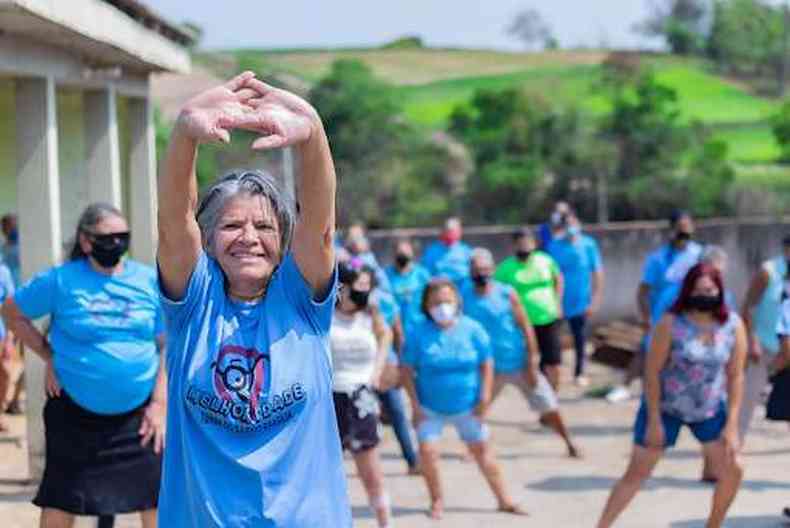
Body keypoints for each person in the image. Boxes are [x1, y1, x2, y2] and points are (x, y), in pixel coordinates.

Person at [156, 71, 351, 525]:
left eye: (264, 227)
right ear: (207, 239)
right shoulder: (195, 304)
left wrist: (313, 134)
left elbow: (319, 225)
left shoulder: (300, 302)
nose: (249, 238)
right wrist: (185, 132)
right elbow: (172, 222)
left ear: (282, 240)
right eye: (231, 226)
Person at [2, 203, 166, 528]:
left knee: (158, 500)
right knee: (61, 500)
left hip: (140, 418)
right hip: (74, 416)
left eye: (123, 236)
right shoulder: (61, 280)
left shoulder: (149, 281)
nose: (116, 244)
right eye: (107, 237)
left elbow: (167, 345)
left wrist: (160, 403)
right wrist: (48, 354)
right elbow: (12, 312)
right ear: (86, 241)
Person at [597, 263, 746, 528]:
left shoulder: (732, 326)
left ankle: (713, 525)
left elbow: (735, 375)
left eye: (710, 290)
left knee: (734, 469)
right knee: (638, 472)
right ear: (687, 291)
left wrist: (732, 424)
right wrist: (654, 420)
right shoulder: (671, 323)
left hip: (709, 409)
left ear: (720, 291)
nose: (705, 295)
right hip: (666, 407)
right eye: (699, 290)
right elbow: (652, 371)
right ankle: (603, 525)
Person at [400, 278, 526, 520]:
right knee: (428, 452)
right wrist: (415, 406)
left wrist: (485, 396)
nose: (442, 306)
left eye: (447, 300)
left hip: (467, 405)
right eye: (436, 302)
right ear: (426, 305)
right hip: (430, 407)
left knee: (483, 451)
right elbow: (406, 370)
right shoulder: (418, 333)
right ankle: (436, 501)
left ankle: (504, 500)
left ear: (457, 300)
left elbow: (487, 363)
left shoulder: (473, 329)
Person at [462, 248, 581, 458]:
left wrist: (532, 360)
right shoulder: (464, 296)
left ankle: (569, 443)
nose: (480, 273)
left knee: (549, 405)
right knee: (478, 408)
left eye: (484, 269)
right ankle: (472, 449)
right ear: (470, 271)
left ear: (492, 269)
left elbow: (525, 326)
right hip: (489, 367)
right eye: (476, 269)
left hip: (518, 362)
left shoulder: (506, 293)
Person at [607, 210, 703, 403]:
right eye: (679, 229)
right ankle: (634, 389)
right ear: (672, 230)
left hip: (691, 318)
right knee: (650, 354)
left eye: (687, 228)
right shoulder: (658, 259)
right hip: (662, 316)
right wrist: (646, 317)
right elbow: (642, 291)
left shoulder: (699, 255)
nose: (683, 233)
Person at [331, 263, 392, 527]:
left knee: (371, 471)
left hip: (362, 397)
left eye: (368, 286)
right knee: (328, 472)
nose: (364, 292)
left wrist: (377, 371)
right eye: (360, 286)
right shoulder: (325, 313)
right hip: (331, 396)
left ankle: (384, 522)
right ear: (342, 287)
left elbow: (386, 335)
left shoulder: (371, 314)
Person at [495, 228, 564, 391]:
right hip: (521, 324)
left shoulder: (546, 261)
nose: (524, 247)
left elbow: (558, 278)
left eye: (528, 243)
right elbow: (496, 293)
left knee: (553, 362)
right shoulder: (505, 268)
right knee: (530, 362)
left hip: (548, 318)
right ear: (514, 246)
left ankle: (553, 396)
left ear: (534, 244)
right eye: (520, 243)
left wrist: (558, 301)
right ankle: (538, 393)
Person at [738, 235, 790, 443]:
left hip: (787, 350)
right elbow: (747, 308)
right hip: (763, 346)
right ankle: (733, 446)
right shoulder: (768, 272)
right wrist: (752, 340)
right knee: (747, 399)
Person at [547, 214, 604, 387]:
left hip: (581, 301)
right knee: (555, 338)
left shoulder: (588, 244)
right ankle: (555, 371)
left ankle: (579, 372)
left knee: (579, 338)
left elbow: (597, 273)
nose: (571, 227)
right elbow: (549, 275)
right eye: (568, 224)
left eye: (574, 223)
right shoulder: (554, 246)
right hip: (557, 301)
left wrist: (595, 299)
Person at [385, 238, 431, 334]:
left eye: (406, 252)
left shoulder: (422, 274)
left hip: (419, 327)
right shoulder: (386, 275)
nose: (403, 255)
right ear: (394, 253)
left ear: (412, 253)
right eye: (400, 252)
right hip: (393, 328)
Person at [421, 217, 473, 286]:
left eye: (454, 231)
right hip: (439, 288)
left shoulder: (466, 251)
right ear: (442, 232)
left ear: (459, 232)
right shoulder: (431, 251)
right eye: (448, 231)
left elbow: (472, 273)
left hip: (462, 289)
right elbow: (425, 273)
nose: (451, 234)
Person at [344, 222, 391, 292]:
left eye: (358, 237)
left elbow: (381, 280)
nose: (354, 241)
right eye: (351, 237)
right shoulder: (344, 256)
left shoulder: (368, 258)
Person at [0, 260, 15, 431]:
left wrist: (10, 339)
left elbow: (11, 308)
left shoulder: (3, 271)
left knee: (4, 373)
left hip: (1, 334)